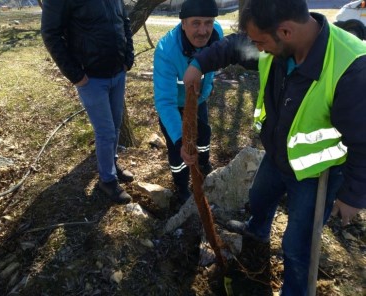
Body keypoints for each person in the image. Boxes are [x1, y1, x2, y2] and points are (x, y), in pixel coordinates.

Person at [181, 0, 366, 294]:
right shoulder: (276, 43)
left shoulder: (352, 68)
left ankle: (294, 289)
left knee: (297, 245)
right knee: (259, 197)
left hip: (316, 172)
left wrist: (354, 195)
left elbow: (363, 140)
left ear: (286, 32)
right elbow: (234, 46)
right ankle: (256, 236)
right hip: (279, 155)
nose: (258, 48)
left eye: (261, 42)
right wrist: (198, 64)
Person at [41, 0, 135, 204]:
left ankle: (112, 164)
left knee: (116, 126)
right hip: (91, 78)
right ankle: (107, 181)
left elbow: (125, 22)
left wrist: (128, 58)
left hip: (118, 72)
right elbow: (50, 34)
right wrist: (76, 75)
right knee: (106, 132)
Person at [153, 0, 224, 203]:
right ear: (183, 23)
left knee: (204, 135)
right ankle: (182, 186)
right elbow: (165, 102)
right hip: (175, 106)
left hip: (199, 101)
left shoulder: (217, 33)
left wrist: (206, 91)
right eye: (196, 23)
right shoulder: (167, 51)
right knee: (179, 152)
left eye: (208, 22)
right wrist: (180, 139)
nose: (203, 31)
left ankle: (204, 164)